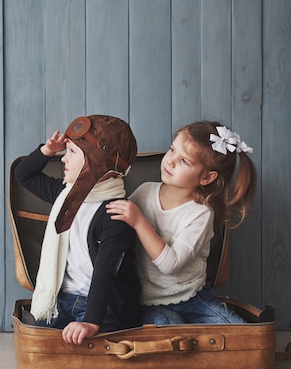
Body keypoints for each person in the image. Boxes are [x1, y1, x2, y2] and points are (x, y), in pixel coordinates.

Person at [106, 120, 257, 325]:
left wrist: (139, 222)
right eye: (171, 150)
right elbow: (113, 224)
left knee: (238, 332)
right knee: (167, 329)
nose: (170, 161)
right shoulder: (144, 192)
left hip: (192, 298)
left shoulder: (200, 213)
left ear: (206, 177)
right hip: (148, 302)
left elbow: (171, 264)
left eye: (184, 161)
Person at [14, 115, 140, 344]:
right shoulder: (65, 194)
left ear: (97, 160)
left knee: (92, 340)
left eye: (72, 152)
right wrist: (47, 150)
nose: (64, 159)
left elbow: (106, 272)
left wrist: (91, 320)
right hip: (62, 300)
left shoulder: (115, 214)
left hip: (101, 304)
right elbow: (24, 175)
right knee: (33, 336)